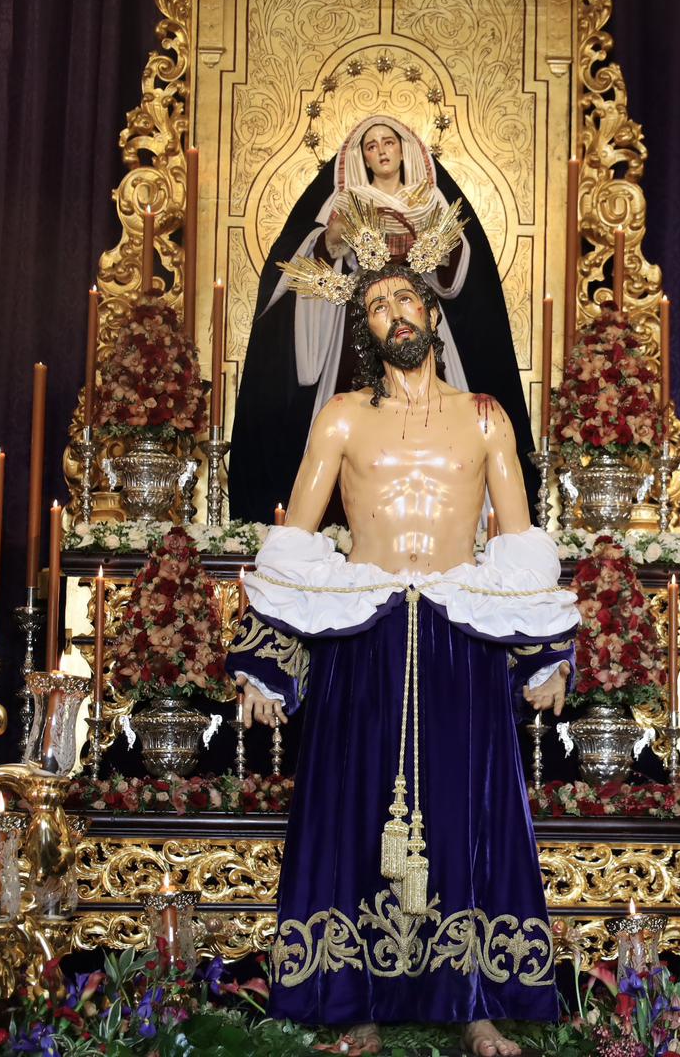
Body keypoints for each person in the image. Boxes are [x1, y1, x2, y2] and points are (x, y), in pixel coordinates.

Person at [225, 260, 577, 1057]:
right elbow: (295, 542)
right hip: (366, 629)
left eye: (406, 298)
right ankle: (356, 1009)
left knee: (468, 813)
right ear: (369, 330)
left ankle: (476, 1007)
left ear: (431, 314)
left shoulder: (485, 417)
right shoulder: (343, 418)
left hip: (459, 633)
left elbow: (519, 543)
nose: (395, 312)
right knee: (353, 809)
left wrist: (546, 655)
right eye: (379, 305)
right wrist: (266, 659)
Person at [229, 113, 538, 525]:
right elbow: (313, 260)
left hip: (419, 323)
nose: (381, 152)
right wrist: (332, 240)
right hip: (361, 328)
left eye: (388, 142)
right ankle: (341, 525)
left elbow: (457, 275)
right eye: (371, 146)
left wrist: (434, 248)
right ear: (363, 157)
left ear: (403, 150)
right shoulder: (346, 202)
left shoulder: (429, 202)